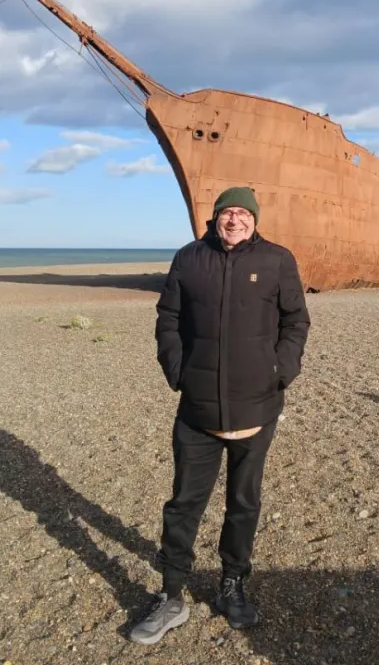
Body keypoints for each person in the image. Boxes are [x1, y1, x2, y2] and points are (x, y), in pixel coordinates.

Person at [130, 186, 310, 646]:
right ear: (215, 219)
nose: (234, 220)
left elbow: (296, 321)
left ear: (254, 219)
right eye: (226, 213)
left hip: (257, 406)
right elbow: (167, 317)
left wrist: (280, 371)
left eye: (242, 213)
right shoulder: (189, 258)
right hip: (198, 408)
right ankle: (171, 595)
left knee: (243, 504)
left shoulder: (276, 260)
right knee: (184, 504)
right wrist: (177, 371)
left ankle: (232, 585)